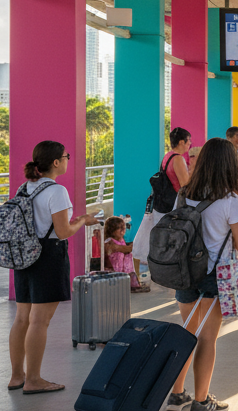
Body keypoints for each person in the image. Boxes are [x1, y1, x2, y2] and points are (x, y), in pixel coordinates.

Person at [166, 137, 238, 411]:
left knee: (186, 333)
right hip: (213, 277)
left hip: (184, 274)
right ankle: (201, 402)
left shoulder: (185, 193)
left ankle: (177, 394)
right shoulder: (230, 200)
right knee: (207, 340)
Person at [8, 141, 100, 394]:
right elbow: (62, 231)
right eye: (66, 156)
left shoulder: (25, 187)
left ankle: (17, 376)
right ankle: (34, 379)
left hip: (23, 254)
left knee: (22, 318)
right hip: (47, 255)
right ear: (56, 162)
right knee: (40, 321)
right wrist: (82, 220)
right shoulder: (56, 191)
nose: (68, 159)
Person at [127, 126, 192, 274]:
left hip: (162, 204)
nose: (190, 145)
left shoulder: (167, 156)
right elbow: (185, 185)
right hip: (173, 204)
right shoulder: (178, 159)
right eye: (189, 141)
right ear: (181, 142)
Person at [103, 215, 146, 293]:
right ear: (111, 230)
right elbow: (127, 249)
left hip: (122, 273)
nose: (123, 230)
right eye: (119, 228)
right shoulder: (109, 242)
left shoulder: (121, 239)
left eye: (124, 227)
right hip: (113, 273)